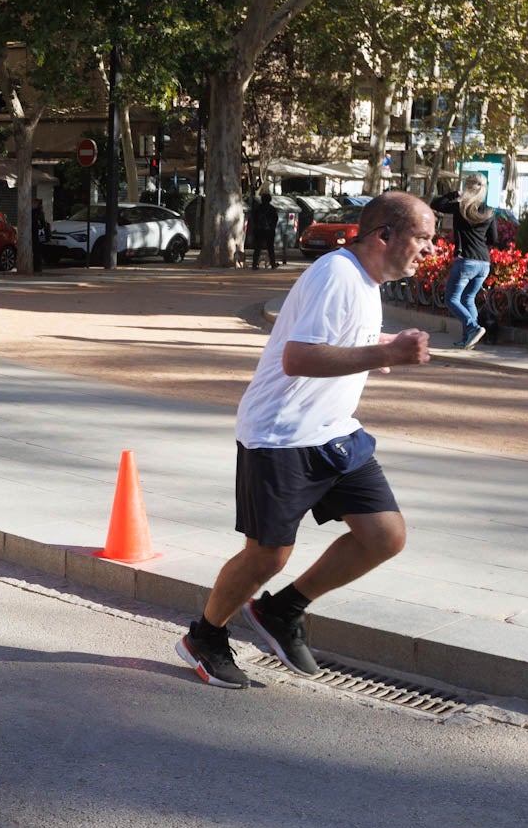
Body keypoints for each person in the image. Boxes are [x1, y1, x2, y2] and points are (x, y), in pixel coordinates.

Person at [175, 192, 435, 690]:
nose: (428, 249)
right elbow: (299, 358)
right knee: (267, 556)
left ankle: (282, 611)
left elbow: (337, 339)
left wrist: (382, 347)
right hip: (279, 435)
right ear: (385, 235)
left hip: (333, 431)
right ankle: (205, 636)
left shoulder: (367, 279)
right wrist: (392, 355)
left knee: (386, 536)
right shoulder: (336, 275)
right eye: (421, 238)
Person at [431, 174, 497, 350]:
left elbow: (435, 204)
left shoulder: (460, 207)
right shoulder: (489, 211)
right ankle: (469, 338)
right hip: (484, 263)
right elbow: (493, 239)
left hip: (466, 261)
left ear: (467, 188)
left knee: (451, 299)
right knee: (468, 298)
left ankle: (472, 328)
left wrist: (454, 193)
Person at [250, 194, 279, 270]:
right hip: (269, 231)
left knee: (257, 248)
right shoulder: (272, 209)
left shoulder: (258, 208)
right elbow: (275, 219)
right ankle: (272, 264)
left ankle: (254, 264)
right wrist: (272, 227)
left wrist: (256, 227)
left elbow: (254, 219)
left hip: (259, 231)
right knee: (270, 248)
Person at [32, 199, 49, 275]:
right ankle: (36, 266)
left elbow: (41, 224)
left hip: (38, 234)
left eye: (34, 203)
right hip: (36, 234)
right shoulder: (35, 212)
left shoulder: (38, 213)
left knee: (37, 251)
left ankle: (37, 267)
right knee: (36, 250)